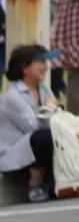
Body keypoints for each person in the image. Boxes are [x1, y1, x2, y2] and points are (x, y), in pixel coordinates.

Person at [0, 45, 59, 203]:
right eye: (40, 61)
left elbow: (55, 121)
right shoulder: (13, 97)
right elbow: (33, 127)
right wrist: (50, 107)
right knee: (43, 137)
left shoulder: (44, 90)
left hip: (36, 150)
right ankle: (35, 185)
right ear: (25, 68)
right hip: (16, 154)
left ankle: (55, 182)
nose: (45, 67)